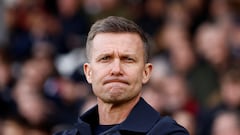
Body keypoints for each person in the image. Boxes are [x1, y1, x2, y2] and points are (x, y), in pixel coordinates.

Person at [53, 16, 189, 135]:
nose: (116, 69)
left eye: (128, 59)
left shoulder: (169, 133)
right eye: (105, 58)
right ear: (88, 73)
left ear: (146, 73)